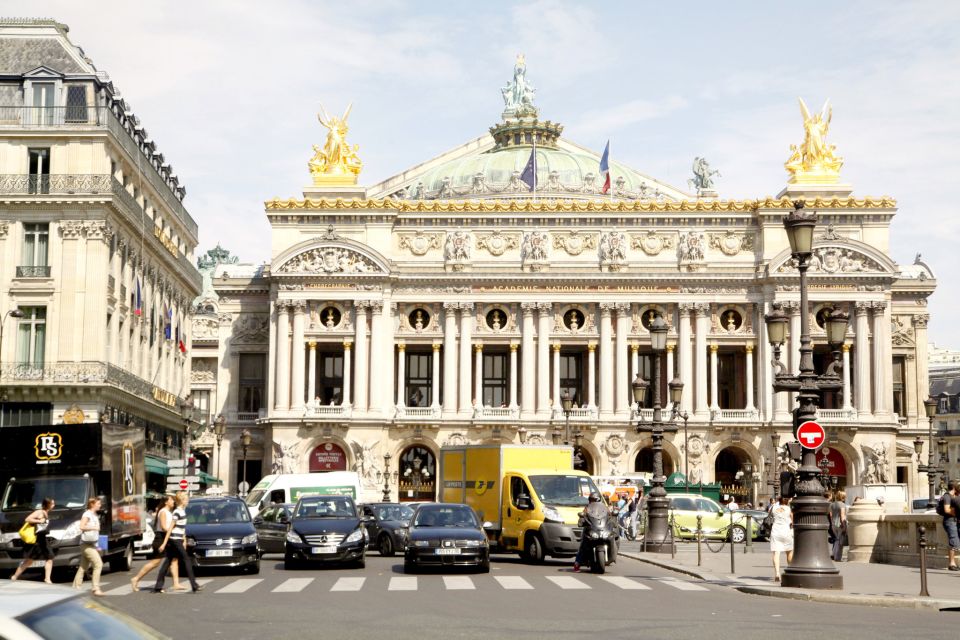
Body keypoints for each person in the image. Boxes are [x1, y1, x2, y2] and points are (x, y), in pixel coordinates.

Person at [152, 491, 201, 593]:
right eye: (186, 499)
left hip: (177, 539)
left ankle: (158, 586)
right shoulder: (177, 512)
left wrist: (183, 539)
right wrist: (164, 543)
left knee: (167, 562)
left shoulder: (182, 511)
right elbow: (170, 528)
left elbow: (182, 528)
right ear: (182, 501)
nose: (188, 501)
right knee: (186, 559)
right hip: (174, 540)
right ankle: (194, 585)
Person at [130, 496, 180, 591]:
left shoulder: (169, 512)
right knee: (155, 563)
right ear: (166, 502)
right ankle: (135, 579)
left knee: (174, 560)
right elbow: (164, 527)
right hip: (160, 538)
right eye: (171, 500)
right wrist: (176, 528)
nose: (173, 501)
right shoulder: (163, 512)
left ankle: (176, 584)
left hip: (167, 538)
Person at [11, 497, 56, 583]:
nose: (54, 505)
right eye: (52, 504)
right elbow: (27, 519)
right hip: (36, 540)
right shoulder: (39, 512)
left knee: (49, 558)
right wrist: (39, 521)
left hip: (42, 539)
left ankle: (47, 579)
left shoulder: (45, 512)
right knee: (29, 561)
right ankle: (15, 576)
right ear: (48, 504)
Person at [72, 497, 105, 596]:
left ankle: (75, 588)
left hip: (92, 543)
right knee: (98, 564)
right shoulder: (87, 514)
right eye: (98, 503)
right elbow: (81, 526)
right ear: (92, 504)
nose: (100, 505)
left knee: (83, 567)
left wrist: (98, 545)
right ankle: (95, 588)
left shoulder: (95, 515)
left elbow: (96, 533)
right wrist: (93, 527)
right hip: (86, 544)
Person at [573, 493, 608, 573]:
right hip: (590, 529)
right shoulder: (587, 508)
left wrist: (611, 519)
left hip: (601, 528)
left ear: (598, 500)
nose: (593, 501)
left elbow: (608, 515)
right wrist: (581, 520)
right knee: (583, 545)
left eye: (594, 500)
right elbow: (582, 516)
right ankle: (577, 564)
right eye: (592, 500)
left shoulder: (604, 508)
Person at [769, 496, 793, 582]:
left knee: (776, 553)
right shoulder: (788, 508)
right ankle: (790, 571)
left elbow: (769, 513)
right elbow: (792, 519)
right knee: (789, 552)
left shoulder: (774, 507)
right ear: (787, 501)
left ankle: (777, 574)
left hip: (775, 531)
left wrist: (775, 504)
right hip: (786, 531)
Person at [940, 481, 960, 571]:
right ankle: (951, 563)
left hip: (954, 521)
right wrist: (957, 512)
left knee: (955, 541)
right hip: (950, 521)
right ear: (954, 487)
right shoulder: (947, 496)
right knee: (953, 541)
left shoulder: (953, 496)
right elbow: (947, 510)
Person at [829, 490, 847, 562]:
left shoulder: (832, 504)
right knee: (840, 542)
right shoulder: (842, 505)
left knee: (837, 539)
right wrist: (844, 526)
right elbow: (842, 515)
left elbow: (830, 515)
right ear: (843, 497)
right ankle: (837, 557)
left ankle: (834, 554)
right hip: (840, 524)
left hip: (833, 524)